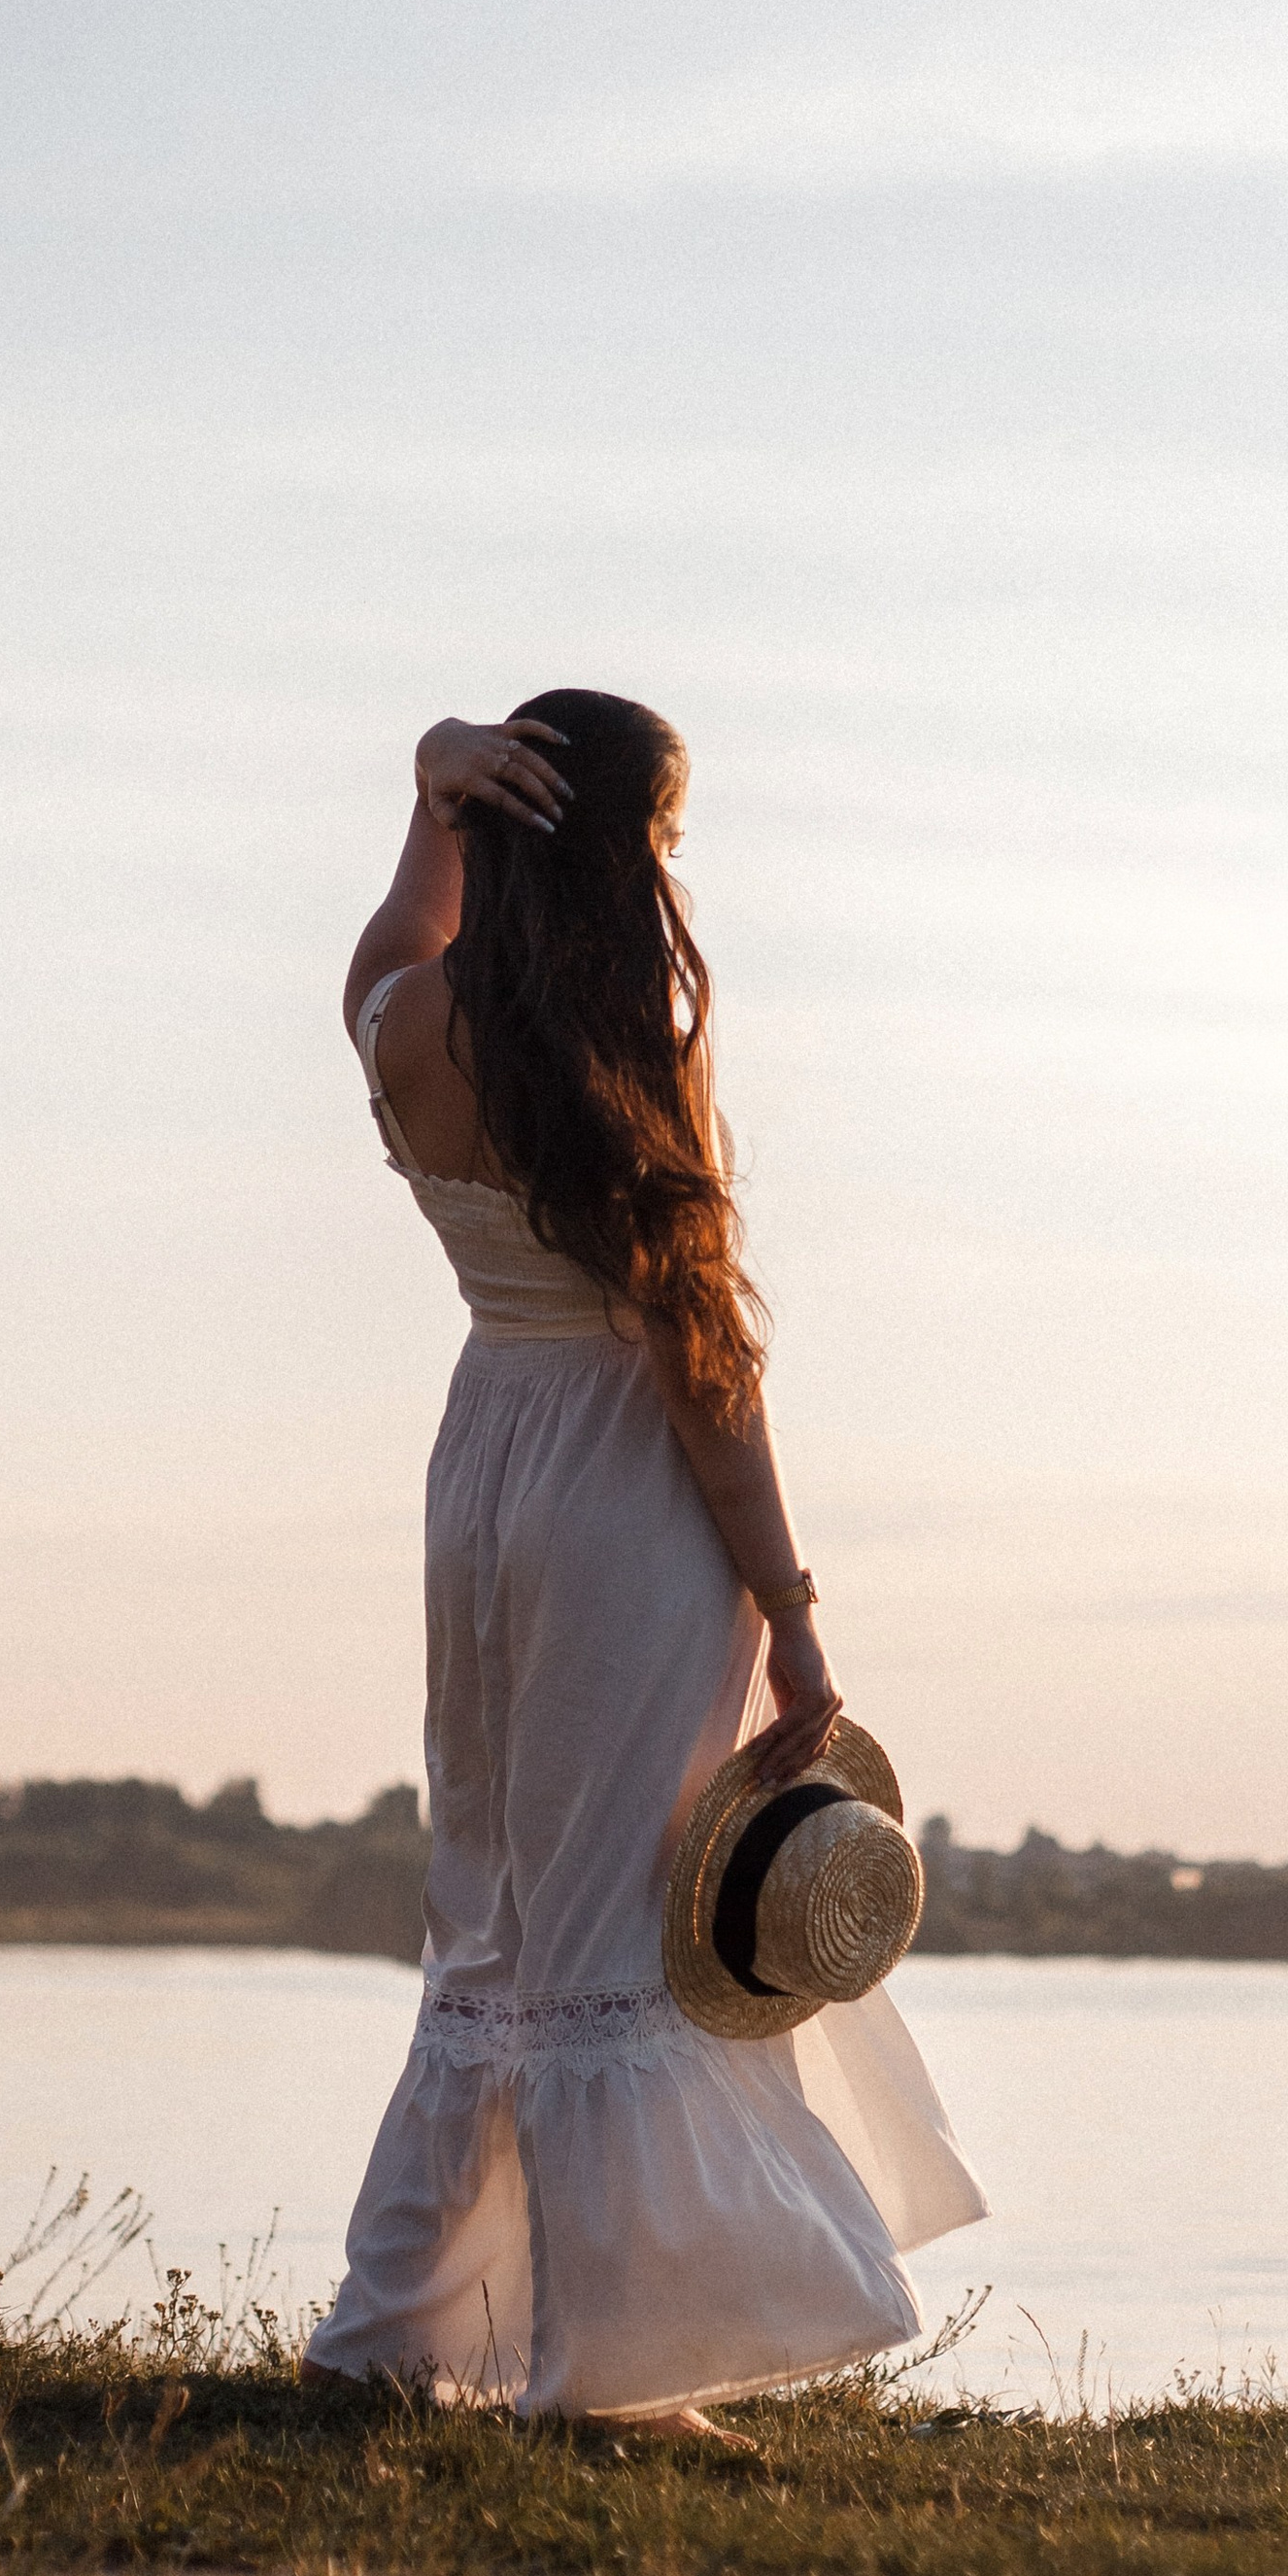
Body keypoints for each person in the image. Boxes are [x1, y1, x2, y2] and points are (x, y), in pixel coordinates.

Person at [305, 692, 985, 2427]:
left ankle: (400, 2333)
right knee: (614, 1926)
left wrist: (425, 797)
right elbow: (705, 1368)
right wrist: (794, 1610)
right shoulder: (628, 1064)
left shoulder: (418, 1029)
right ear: (626, 857)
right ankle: (605, 2369)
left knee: (495, 1917)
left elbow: (382, 947)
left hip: (484, 1471)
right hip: (620, 1496)